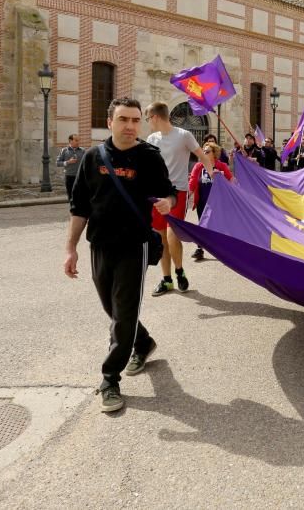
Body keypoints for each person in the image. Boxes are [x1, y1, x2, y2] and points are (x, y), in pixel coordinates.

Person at [64, 97, 177, 413]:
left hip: (135, 244)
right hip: (100, 244)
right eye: (124, 119)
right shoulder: (92, 157)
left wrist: (168, 201)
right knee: (112, 308)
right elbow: (80, 208)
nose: (130, 126)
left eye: (135, 120)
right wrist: (70, 248)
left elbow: (168, 190)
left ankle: (109, 378)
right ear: (110, 121)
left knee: (124, 311)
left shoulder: (149, 157)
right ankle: (142, 342)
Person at [144, 102, 202, 296]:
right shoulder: (151, 138)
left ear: (155, 117)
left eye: (147, 118)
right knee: (161, 238)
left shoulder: (184, 135)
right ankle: (167, 280)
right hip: (156, 194)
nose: (148, 122)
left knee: (172, 233)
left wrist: (214, 172)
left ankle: (179, 271)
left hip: (178, 192)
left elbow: (201, 155)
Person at [188, 142, 233, 263]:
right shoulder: (198, 166)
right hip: (203, 202)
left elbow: (231, 180)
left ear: (214, 154)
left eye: (207, 151)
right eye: (203, 151)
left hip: (219, 203)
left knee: (219, 226)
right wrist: (186, 195)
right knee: (202, 225)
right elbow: (192, 183)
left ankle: (223, 250)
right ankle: (199, 249)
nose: (204, 153)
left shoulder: (221, 166)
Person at [56, 134, 85, 202]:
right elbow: (57, 163)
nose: (78, 142)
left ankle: (80, 211)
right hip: (69, 176)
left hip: (80, 177)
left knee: (80, 195)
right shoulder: (64, 151)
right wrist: (68, 162)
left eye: (79, 140)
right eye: (76, 140)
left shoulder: (82, 150)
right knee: (71, 196)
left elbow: (86, 162)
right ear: (70, 141)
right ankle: (73, 210)